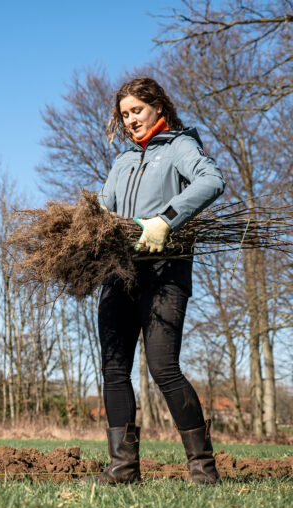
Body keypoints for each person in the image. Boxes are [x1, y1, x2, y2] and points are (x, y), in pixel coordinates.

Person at [87, 78, 225, 485]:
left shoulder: (180, 146)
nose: (131, 120)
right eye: (124, 114)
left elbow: (211, 180)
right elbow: (103, 210)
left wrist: (166, 219)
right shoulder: (122, 162)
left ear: (158, 106)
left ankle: (203, 469)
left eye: (137, 111)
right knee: (114, 370)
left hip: (164, 273)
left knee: (163, 367)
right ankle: (123, 469)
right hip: (119, 275)